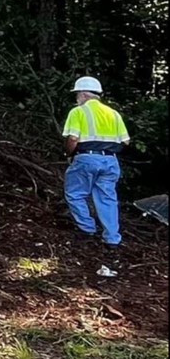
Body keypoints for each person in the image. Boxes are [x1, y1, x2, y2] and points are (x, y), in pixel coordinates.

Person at [62, 76, 130, 246]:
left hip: (86, 157)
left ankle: (87, 229)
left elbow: (72, 138)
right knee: (107, 199)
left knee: (75, 193)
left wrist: (68, 154)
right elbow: (126, 141)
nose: (76, 97)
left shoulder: (78, 111)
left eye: (77, 94)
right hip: (110, 160)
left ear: (84, 94)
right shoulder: (113, 113)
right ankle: (112, 239)